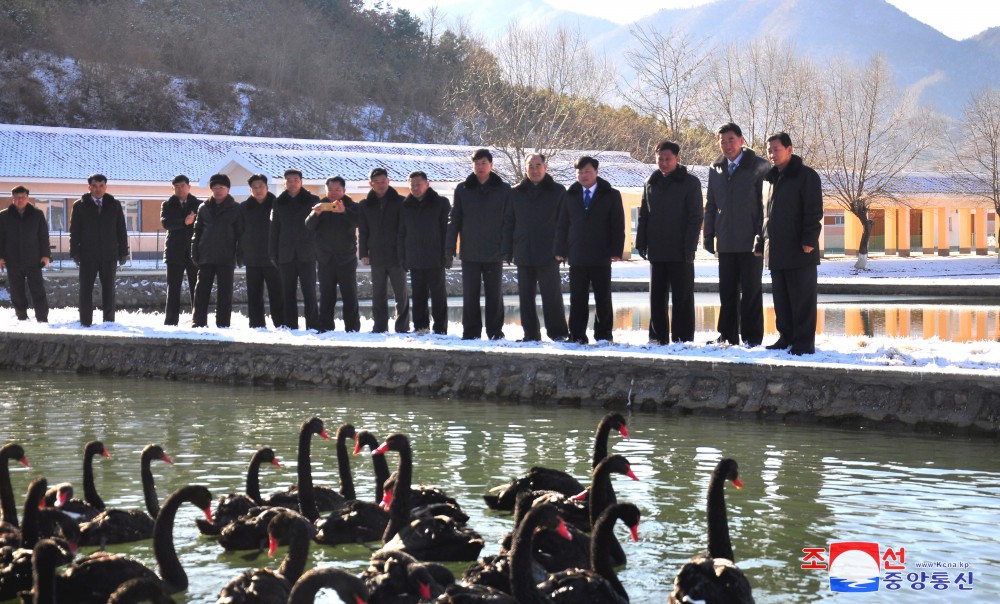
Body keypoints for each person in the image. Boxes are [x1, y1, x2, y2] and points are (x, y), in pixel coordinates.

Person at [703, 122, 770, 347]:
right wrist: (708, 233)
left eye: (731, 140)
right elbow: (711, 203)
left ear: (742, 141)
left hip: (751, 240)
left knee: (751, 291)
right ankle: (727, 334)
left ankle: (752, 337)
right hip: (726, 239)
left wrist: (761, 236)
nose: (727, 145)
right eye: (723, 142)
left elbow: (765, 206)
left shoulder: (759, 166)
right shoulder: (716, 168)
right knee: (727, 291)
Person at [635, 140, 704, 344]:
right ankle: (658, 337)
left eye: (668, 159)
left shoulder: (690, 183)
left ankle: (683, 337)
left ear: (677, 159)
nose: (664, 163)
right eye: (660, 159)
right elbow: (644, 215)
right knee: (657, 296)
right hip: (656, 248)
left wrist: (690, 246)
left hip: (681, 249)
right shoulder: (651, 182)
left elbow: (695, 217)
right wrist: (642, 241)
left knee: (682, 297)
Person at [761, 132, 824, 355]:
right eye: (769, 150)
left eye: (776, 149)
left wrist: (809, 240)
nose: (772, 154)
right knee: (782, 300)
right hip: (776, 250)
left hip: (799, 249)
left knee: (802, 300)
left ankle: (803, 344)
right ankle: (785, 337)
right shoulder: (768, 180)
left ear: (789, 149)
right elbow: (765, 216)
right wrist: (761, 243)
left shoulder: (806, 176)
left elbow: (813, 211)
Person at [555, 156, 625, 344]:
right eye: (579, 172)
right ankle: (577, 334)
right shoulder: (569, 194)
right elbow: (562, 224)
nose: (583, 175)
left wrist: (616, 250)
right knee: (577, 298)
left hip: (601, 253)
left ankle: (603, 334)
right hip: (576, 253)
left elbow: (617, 225)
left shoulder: (610, 194)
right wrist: (560, 249)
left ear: (596, 172)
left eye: (587, 171)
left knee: (603, 297)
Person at [501, 153, 569, 342]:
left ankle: (558, 333)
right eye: (530, 166)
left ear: (545, 167)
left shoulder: (558, 191)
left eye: (538, 165)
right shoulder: (515, 192)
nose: (534, 169)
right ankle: (530, 334)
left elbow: (565, 223)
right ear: (525, 169)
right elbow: (508, 222)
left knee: (552, 296)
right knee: (525, 297)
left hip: (549, 252)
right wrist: (507, 249)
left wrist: (563, 249)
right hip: (523, 250)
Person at [446, 148, 510, 340]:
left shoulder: (503, 189)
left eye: (484, 163)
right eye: (476, 163)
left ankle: (495, 332)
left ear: (491, 165)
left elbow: (509, 220)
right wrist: (449, 247)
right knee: (470, 294)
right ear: (472, 165)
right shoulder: (463, 189)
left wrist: (507, 247)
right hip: (470, 250)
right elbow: (454, 218)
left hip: (494, 250)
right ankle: (471, 331)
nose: (480, 167)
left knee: (494, 295)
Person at [69, 173, 129, 326]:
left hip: (109, 254)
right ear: (89, 187)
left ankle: (108, 321)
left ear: (105, 187)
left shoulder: (114, 205)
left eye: (101, 186)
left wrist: (123, 252)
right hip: (87, 254)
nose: (98, 189)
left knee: (109, 289)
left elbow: (121, 230)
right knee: (85, 289)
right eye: (95, 186)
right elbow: (74, 231)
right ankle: (85, 321)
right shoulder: (80, 205)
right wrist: (74, 252)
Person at [305, 176, 360, 332]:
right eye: (330, 189)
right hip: (325, 259)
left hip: (346, 258)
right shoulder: (320, 205)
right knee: (326, 296)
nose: (333, 193)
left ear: (344, 190)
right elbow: (308, 226)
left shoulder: (352, 206)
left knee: (349, 295)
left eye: (337, 190)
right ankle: (325, 326)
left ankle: (352, 327)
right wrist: (315, 214)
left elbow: (358, 221)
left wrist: (344, 212)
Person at [398, 171, 451, 335]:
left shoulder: (441, 203)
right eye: (412, 185)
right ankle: (420, 326)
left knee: (438, 295)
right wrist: (403, 257)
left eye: (418, 184)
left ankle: (440, 327)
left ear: (427, 184)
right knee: (418, 295)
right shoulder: (405, 206)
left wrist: (448, 254)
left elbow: (446, 231)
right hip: (414, 256)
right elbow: (401, 233)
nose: (415, 188)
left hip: (436, 256)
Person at [359, 167, 409, 334]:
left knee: (401, 295)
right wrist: (364, 253)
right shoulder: (366, 205)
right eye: (376, 182)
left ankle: (402, 327)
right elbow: (364, 230)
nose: (380, 185)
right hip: (377, 254)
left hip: (397, 255)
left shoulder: (401, 202)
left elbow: (405, 229)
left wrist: (405, 252)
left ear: (388, 181)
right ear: (370, 184)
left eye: (383, 181)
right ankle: (379, 326)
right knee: (378, 294)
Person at [191, 173, 243, 328]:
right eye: (215, 188)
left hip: (226, 256)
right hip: (206, 255)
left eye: (221, 187)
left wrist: (239, 255)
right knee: (201, 292)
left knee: (225, 293)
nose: (218, 190)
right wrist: (195, 251)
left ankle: (223, 323)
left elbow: (240, 234)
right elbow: (197, 231)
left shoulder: (236, 208)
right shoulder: (203, 207)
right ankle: (198, 322)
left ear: (228, 189)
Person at [269, 168, 319, 330]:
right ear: (284, 183)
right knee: (287, 293)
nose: (292, 183)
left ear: (301, 181)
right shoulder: (278, 202)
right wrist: (273, 253)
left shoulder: (312, 200)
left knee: (309, 292)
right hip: (285, 253)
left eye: (296, 180)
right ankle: (291, 325)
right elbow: (274, 229)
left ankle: (313, 325)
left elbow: (318, 228)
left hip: (307, 252)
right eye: (289, 180)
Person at [240, 173, 284, 328]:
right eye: (255, 187)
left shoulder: (277, 204)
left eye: (261, 187)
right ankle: (256, 325)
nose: (258, 190)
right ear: (250, 189)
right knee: (254, 294)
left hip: (274, 258)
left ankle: (280, 324)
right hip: (252, 257)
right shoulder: (244, 207)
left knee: (277, 294)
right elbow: (240, 231)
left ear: (267, 187)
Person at [0, 186, 50, 322]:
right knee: (16, 292)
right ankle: (21, 316)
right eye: (16, 198)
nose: (19, 200)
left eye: (22, 197)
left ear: (27, 198)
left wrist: (46, 255)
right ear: (12, 198)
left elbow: (43, 237)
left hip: (33, 259)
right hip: (12, 260)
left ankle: (42, 318)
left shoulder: (37, 214)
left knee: (38, 290)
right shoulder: (3, 216)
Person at [159, 174, 201, 325]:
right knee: (173, 289)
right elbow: (167, 223)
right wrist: (184, 222)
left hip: (193, 252)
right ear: (173, 189)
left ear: (189, 187)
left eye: (182, 186)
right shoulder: (167, 205)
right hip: (174, 252)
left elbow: (202, 226)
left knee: (196, 289)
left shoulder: (199, 205)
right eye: (176, 187)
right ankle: (171, 321)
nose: (180, 189)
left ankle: (198, 319)